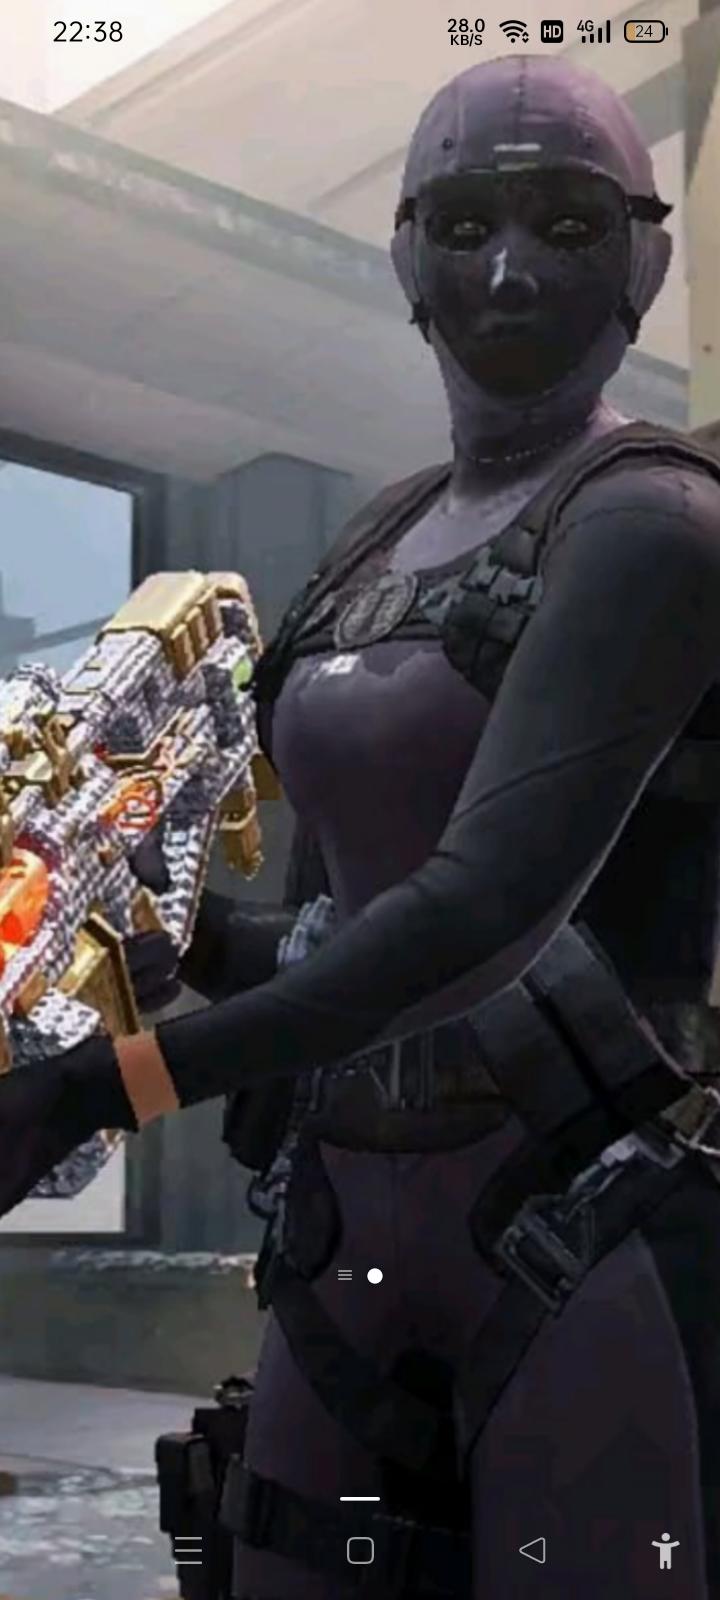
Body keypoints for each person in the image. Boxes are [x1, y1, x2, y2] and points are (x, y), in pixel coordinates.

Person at [2, 54, 720, 1598]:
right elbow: (330, 930)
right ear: (407, 257)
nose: (510, 272)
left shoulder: (650, 523)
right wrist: (165, 936)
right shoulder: (372, 546)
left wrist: (107, 1084)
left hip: (590, 1220)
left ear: (645, 260)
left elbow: (474, 919)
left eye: (567, 223)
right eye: (463, 226)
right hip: (340, 1225)